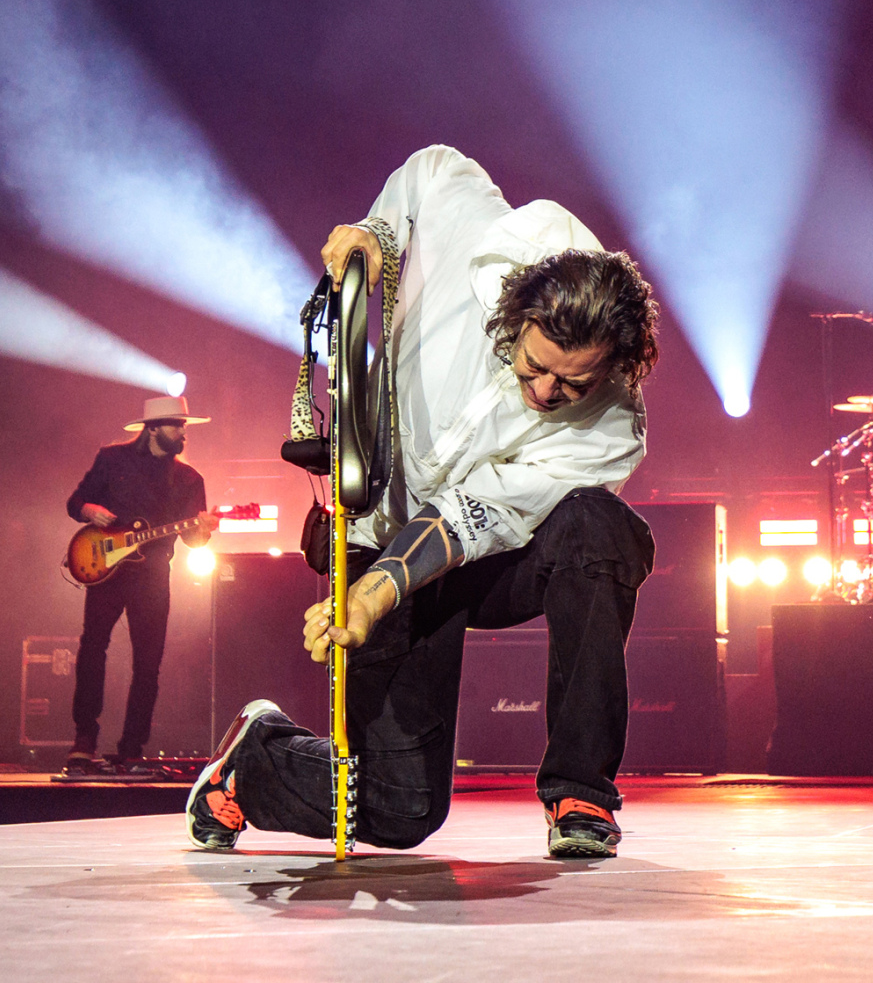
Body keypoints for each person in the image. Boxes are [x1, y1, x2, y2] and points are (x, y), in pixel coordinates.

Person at [187, 144, 659, 859]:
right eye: (536, 366)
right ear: (515, 310)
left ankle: (580, 792)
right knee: (397, 810)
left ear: (615, 368)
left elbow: (482, 514)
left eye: (573, 384)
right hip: (378, 530)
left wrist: (377, 592)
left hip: (489, 557)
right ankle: (254, 759)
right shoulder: (473, 229)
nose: (546, 392)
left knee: (601, 527)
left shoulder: (612, 426)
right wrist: (374, 235)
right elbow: (430, 169)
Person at [64, 395, 215, 775]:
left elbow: (193, 541)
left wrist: (203, 530)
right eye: (176, 426)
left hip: (153, 577)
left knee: (148, 663)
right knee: (93, 647)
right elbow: (75, 501)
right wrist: (88, 510)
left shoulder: (189, 479)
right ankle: (84, 740)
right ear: (153, 428)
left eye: (184, 426)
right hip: (107, 570)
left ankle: (132, 748)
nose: (183, 433)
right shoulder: (112, 459)